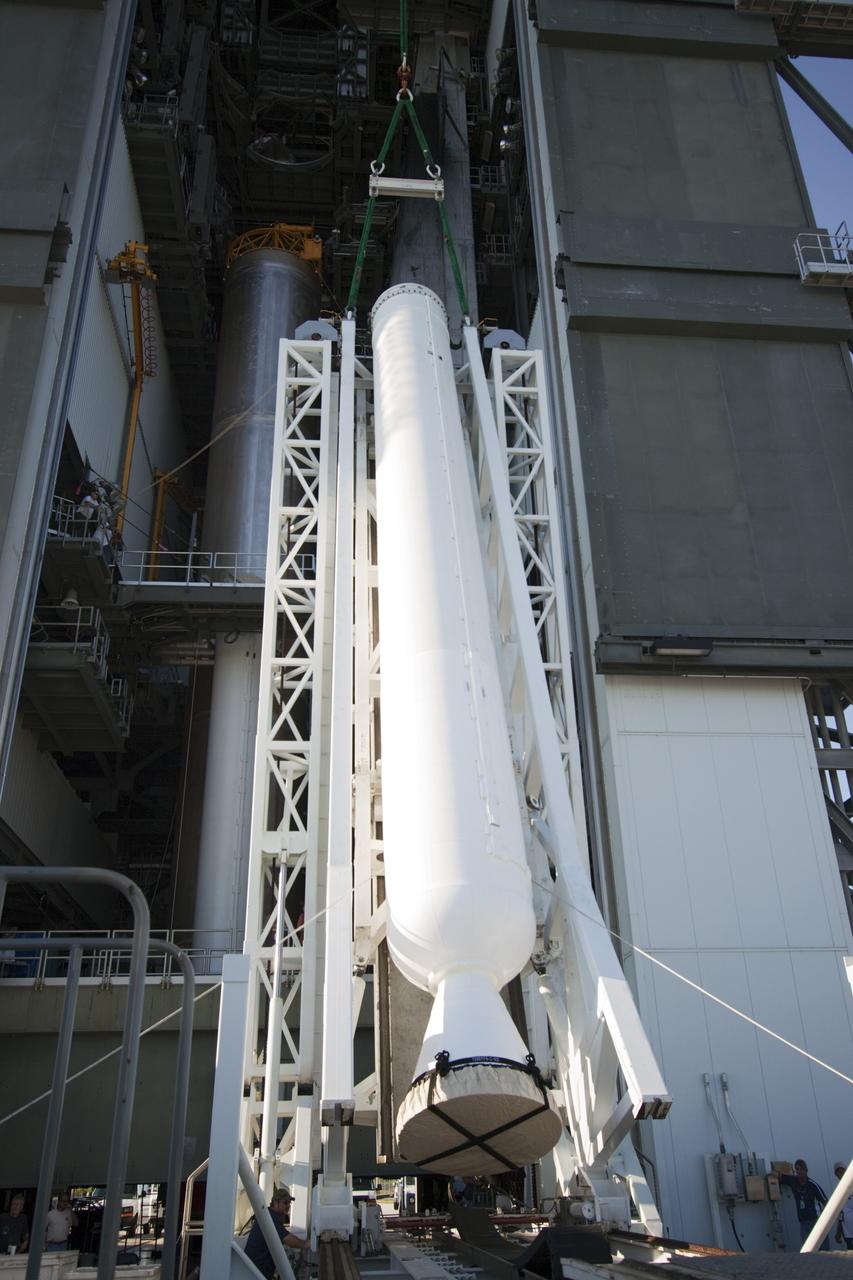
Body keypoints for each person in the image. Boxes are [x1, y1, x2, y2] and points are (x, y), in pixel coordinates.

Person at [243, 1189, 309, 1280]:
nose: (288, 1206)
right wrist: (305, 1244)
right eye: (285, 1202)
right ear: (276, 1202)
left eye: (289, 1203)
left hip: (256, 1268)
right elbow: (287, 1239)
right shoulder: (271, 1217)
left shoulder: (269, 1213)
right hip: (256, 1269)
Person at [779, 1159, 829, 1249]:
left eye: (801, 1169)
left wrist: (825, 1220)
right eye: (797, 1169)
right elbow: (779, 1176)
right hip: (803, 1222)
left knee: (823, 1248)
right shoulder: (793, 1181)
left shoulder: (813, 1185)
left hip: (815, 1220)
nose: (799, 1171)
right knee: (808, 1249)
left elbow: (825, 1202)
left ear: (806, 1170)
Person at [834, 1162, 853, 1250]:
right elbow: (841, 1213)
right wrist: (839, 1231)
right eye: (838, 1172)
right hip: (848, 1233)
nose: (840, 1174)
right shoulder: (838, 1191)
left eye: (842, 1171)